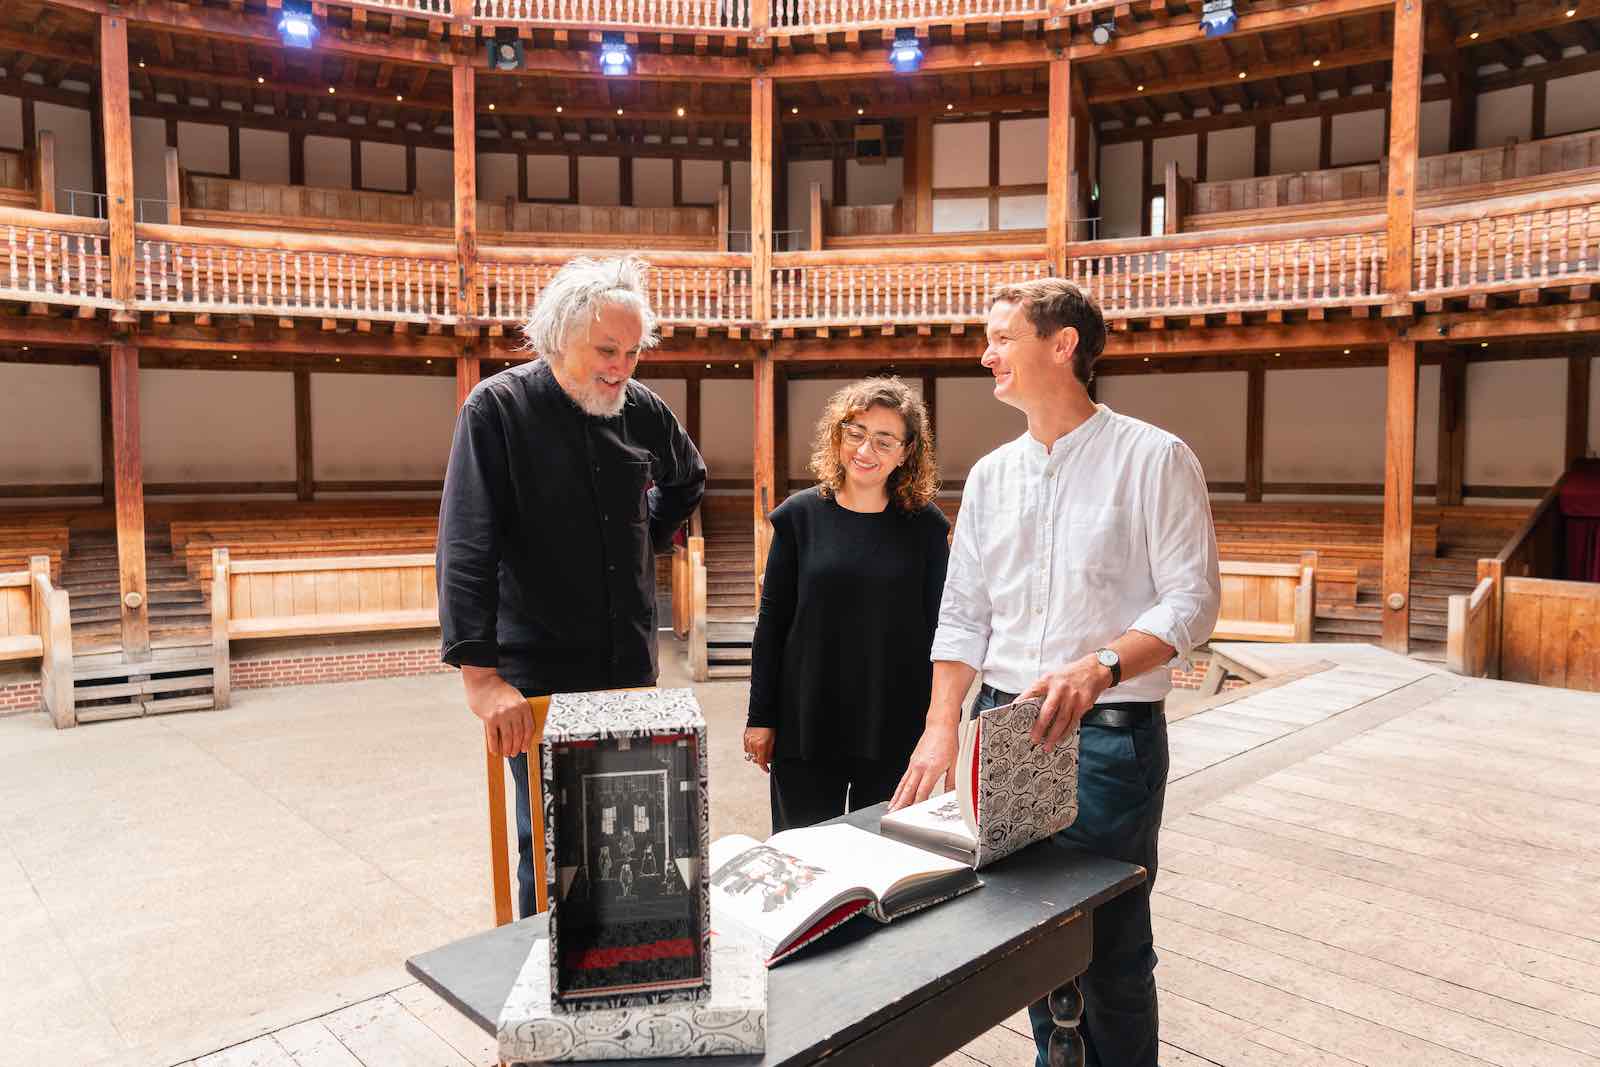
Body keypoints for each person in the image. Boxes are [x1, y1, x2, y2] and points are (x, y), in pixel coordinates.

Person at [888, 279, 1220, 1067]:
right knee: (1031, 939)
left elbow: (1194, 600)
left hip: (1108, 738)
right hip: (1004, 726)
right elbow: (963, 614)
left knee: (1112, 949)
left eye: (1003, 337)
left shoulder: (1154, 457)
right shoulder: (991, 475)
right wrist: (940, 727)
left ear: (1062, 344)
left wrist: (1101, 664)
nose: (986, 354)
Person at [436, 254, 706, 920]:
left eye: (632, 353)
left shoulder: (642, 411)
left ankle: (625, 965)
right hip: (540, 675)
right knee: (555, 848)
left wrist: (645, 535)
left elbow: (688, 477)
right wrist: (481, 681)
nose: (620, 368)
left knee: (633, 841)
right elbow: (467, 544)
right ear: (558, 336)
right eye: (606, 351)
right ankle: (546, 973)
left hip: (628, 667)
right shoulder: (496, 409)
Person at [743, 377, 950, 832]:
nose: (865, 450)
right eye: (855, 433)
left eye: (884, 440)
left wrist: (942, 725)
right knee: (803, 855)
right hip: (806, 722)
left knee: (885, 854)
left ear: (906, 451)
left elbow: (943, 632)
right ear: (837, 436)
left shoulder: (927, 527)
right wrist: (761, 718)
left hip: (894, 721)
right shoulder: (798, 517)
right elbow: (771, 625)